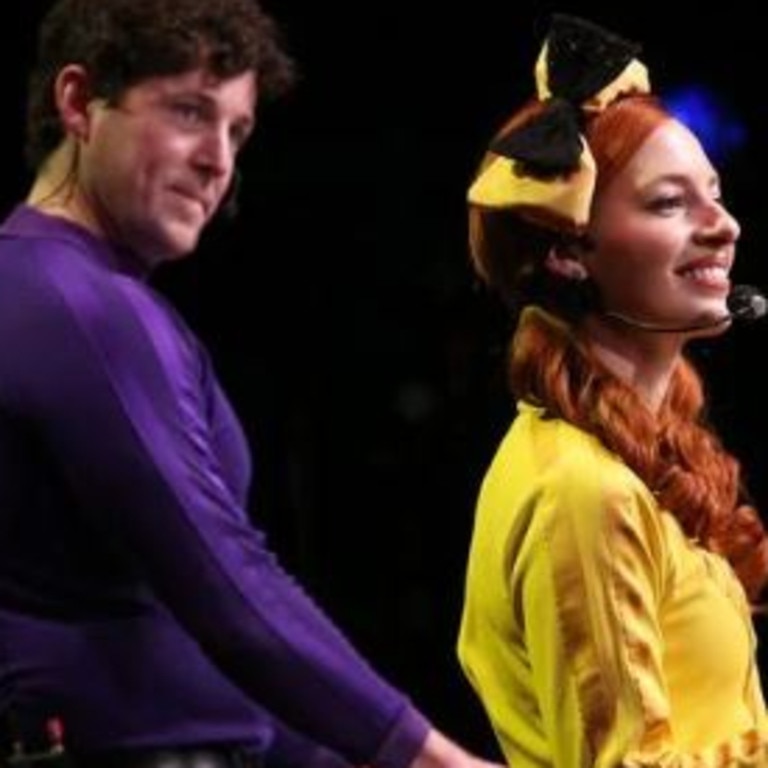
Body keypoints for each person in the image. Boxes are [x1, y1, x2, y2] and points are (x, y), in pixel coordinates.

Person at [0, 1, 507, 768]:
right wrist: (433, 759)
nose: (218, 159)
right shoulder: (70, 301)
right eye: (188, 112)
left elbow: (200, 634)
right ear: (78, 102)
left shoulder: (90, 297)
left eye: (237, 131)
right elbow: (226, 583)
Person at [456, 12, 768, 768]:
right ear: (569, 253)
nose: (722, 225)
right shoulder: (583, 491)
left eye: (714, 194)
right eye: (669, 203)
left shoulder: (624, 465)